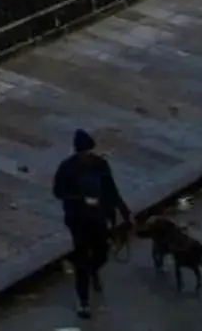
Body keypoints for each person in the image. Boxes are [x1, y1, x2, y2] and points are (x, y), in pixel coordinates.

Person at [51, 128, 131, 314]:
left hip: (98, 217)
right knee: (81, 259)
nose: (87, 155)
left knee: (102, 252)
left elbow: (111, 189)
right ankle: (83, 301)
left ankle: (92, 270)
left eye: (89, 151)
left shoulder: (100, 165)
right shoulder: (67, 168)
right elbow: (58, 192)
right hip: (77, 219)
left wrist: (124, 212)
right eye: (83, 152)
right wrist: (81, 199)